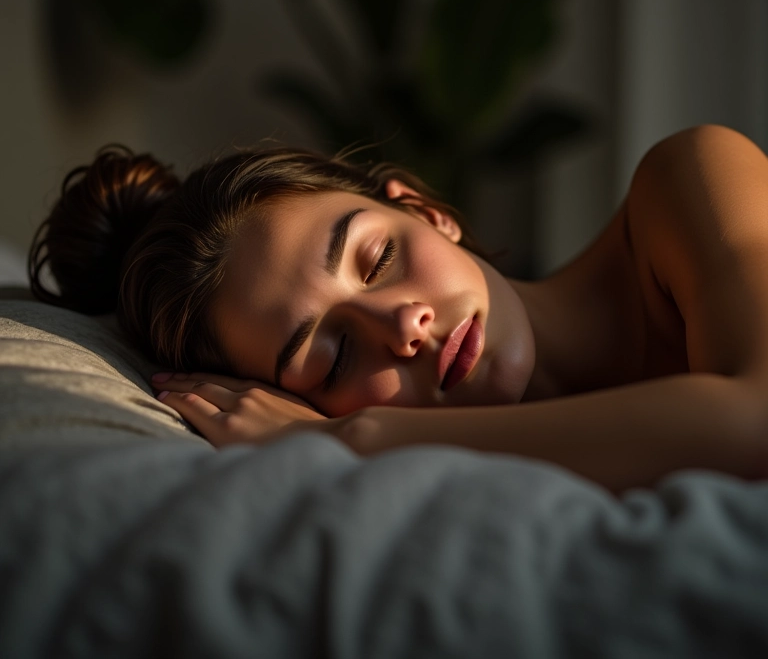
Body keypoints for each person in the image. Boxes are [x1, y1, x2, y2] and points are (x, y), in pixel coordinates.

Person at [29, 125, 768, 492]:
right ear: (295, 407)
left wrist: (361, 437)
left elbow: (755, 420)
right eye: (331, 355)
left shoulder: (691, 179)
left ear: (424, 209)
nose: (403, 325)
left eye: (376, 257)